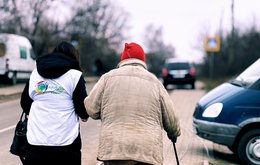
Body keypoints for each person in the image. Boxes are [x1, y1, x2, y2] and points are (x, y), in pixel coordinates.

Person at [84, 42, 181, 165]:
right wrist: (174, 134)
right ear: (142, 60)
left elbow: (91, 109)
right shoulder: (155, 82)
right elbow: (171, 120)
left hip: (114, 150)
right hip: (147, 151)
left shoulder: (107, 78)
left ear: (123, 60)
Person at [20, 41, 89, 165]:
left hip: (36, 141)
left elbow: (25, 102)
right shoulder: (74, 75)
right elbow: (82, 107)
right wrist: (84, 115)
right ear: (74, 57)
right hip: (66, 143)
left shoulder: (35, 73)